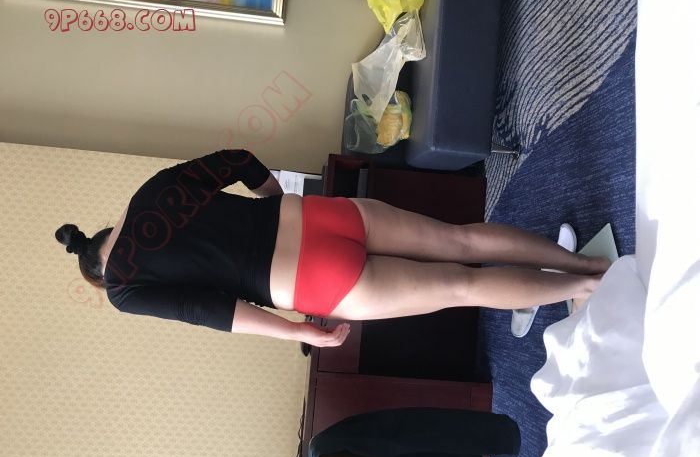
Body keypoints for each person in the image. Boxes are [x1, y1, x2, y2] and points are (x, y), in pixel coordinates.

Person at [55, 149, 608, 348]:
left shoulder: (124, 288)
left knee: (463, 286)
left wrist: (300, 331)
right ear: (101, 233)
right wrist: (275, 204)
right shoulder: (149, 192)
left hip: (309, 280)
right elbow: (239, 160)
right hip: (322, 216)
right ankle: (586, 262)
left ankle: (586, 286)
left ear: (98, 270)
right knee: (461, 237)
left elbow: (211, 311)